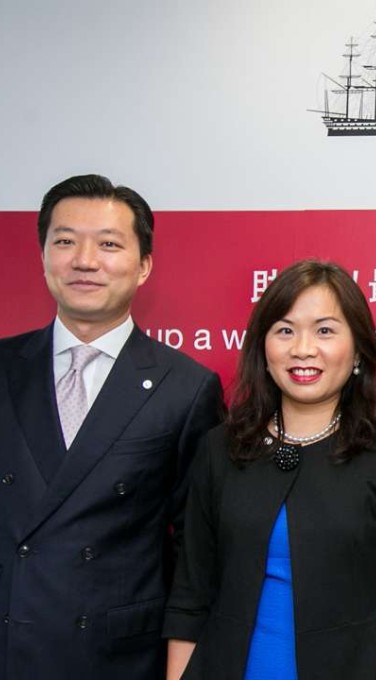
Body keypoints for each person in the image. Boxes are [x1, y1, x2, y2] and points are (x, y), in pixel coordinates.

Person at [164, 259, 376, 680]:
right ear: (264, 347)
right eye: (285, 330)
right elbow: (189, 597)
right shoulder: (220, 449)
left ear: (358, 352)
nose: (302, 349)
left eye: (325, 330)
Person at [0, 174, 224, 679]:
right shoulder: (4, 367)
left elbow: (196, 548)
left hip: (117, 656)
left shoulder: (185, 387)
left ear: (143, 265)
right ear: (42, 257)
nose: (84, 260)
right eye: (64, 241)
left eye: (108, 244)